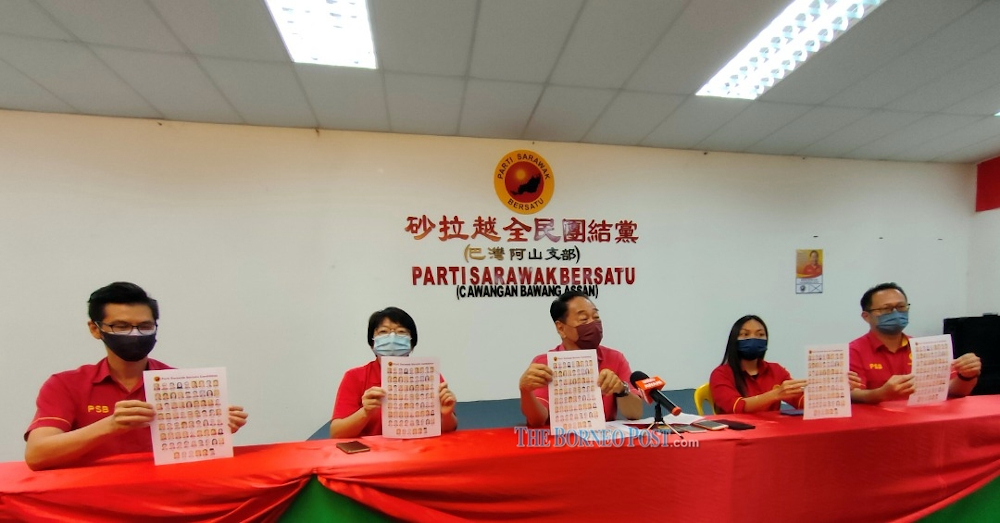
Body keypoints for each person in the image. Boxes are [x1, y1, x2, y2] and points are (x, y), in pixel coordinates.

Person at [24, 282, 249, 471]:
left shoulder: (180, 384)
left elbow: (195, 459)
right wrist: (110, 425)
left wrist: (214, 430)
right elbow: (37, 455)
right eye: (121, 326)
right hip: (91, 501)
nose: (135, 334)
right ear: (95, 329)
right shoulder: (66, 384)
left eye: (145, 326)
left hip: (163, 497)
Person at [519, 291, 643, 427]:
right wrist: (525, 391)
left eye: (596, 317)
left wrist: (621, 388)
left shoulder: (615, 358)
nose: (593, 323)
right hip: (559, 444)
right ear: (561, 328)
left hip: (602, 444)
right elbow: (537, 420)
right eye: (584, 319)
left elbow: (635, 414)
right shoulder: (545, 363)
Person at [329, 307, 457, 438]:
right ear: (372, 342)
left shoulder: (427, 374)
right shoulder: (354, 377)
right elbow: (337, 433)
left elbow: (449, 428)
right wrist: (365, 412)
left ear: (412, 343)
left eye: (401, 332)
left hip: (420, 453)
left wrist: (446, 414)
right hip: (371, 455)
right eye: (383, 332)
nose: (392, 338)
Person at [849, 282, 981, 404]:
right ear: (866, 316)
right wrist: (881, 394)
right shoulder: (854, 351)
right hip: (877, 425)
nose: (895, 313)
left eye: (901, 307)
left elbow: (952, 390)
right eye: (886, 309)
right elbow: (852, 395)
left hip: (922, 422)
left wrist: (966, 376)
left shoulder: (926, 348)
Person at [710, 315, 826, 414]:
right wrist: (775, 394)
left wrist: (836, 389)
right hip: (737, 435)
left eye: (760, 335)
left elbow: (800, 401)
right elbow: (735, 407)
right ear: (734, 340)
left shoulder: (776, 370)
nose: (753, 339)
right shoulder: (721, 374)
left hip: (772, 433)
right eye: (745, 334)